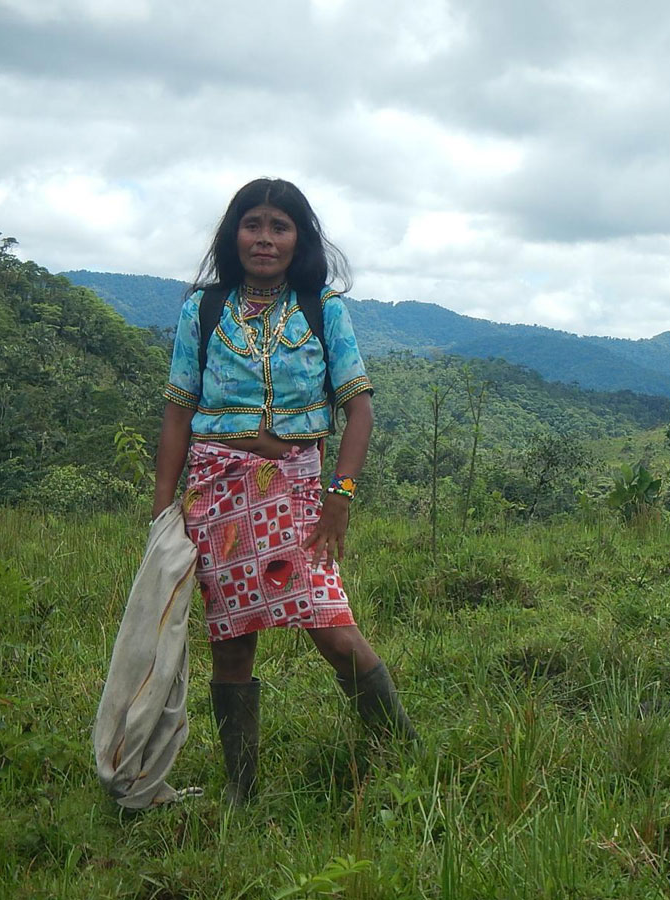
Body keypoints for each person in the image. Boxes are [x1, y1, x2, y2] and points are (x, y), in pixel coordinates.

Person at [152, 178, 417, 804]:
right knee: (232, 637)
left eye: (279, 226)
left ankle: (404, 755)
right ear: (233, 232)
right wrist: (164, 507)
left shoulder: (323, 308)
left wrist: (340, 495)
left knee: (331, 625)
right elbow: (176, 411)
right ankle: (241, 790)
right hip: (215, 490)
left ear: (299, 238)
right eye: (253, 224)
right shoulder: (204, 309)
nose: (264, 239)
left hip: (298, 488)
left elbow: (359, 410)